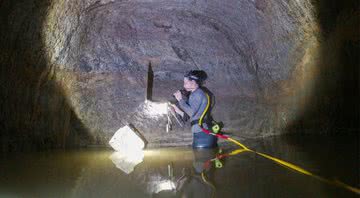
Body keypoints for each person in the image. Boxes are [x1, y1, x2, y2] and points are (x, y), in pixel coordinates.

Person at [171, 70, 218, 148]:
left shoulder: (197, 93)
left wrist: (180, 100)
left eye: (185, 83)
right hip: (201, 133)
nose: (184, 85)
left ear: (193, 82)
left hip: (202, 134)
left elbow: (191, 113)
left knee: (200, 158)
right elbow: (193, 116)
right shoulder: (196, 94)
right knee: (202, 158)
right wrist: (177, 110)